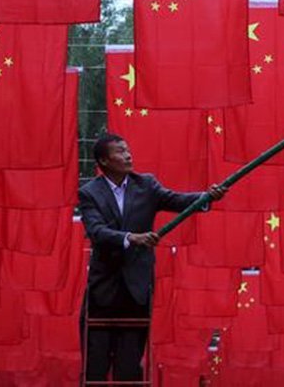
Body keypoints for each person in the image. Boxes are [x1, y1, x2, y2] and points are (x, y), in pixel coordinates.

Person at [78, 132, 227, 383]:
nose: (128, 155)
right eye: (120, 151)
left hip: (136, 288)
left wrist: (206, 197)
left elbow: (178, 200)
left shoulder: (145, 185)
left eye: (128, 149)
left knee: (129, 366)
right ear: (104, 161)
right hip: (103, 290)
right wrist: (130, 238)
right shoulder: (90, 193)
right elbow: (96, 232)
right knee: (96, 364)